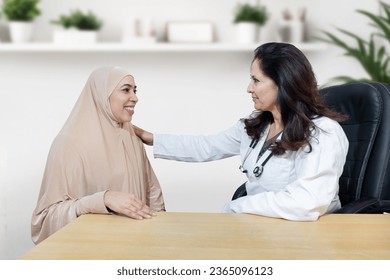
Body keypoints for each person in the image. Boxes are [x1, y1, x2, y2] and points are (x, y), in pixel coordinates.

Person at [134, 42, 349, 221]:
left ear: (284, 83)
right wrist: (151, 138)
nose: (249, 88)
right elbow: (206, 146)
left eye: (256, 80)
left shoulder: (323, 133)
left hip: (303, 232)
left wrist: (238, 206)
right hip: (261, 223)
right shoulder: (255, 126)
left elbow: (305, 203)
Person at [31, 66, 165, 244]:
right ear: (102, 95)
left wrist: (160, 239)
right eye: (126, 90)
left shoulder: (131, 136)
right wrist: (103, 199)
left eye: (135, 90)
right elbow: (45, 219)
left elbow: (152, 193)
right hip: (90, 254)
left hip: (136, 248)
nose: (135, 97)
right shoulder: (69, 144)